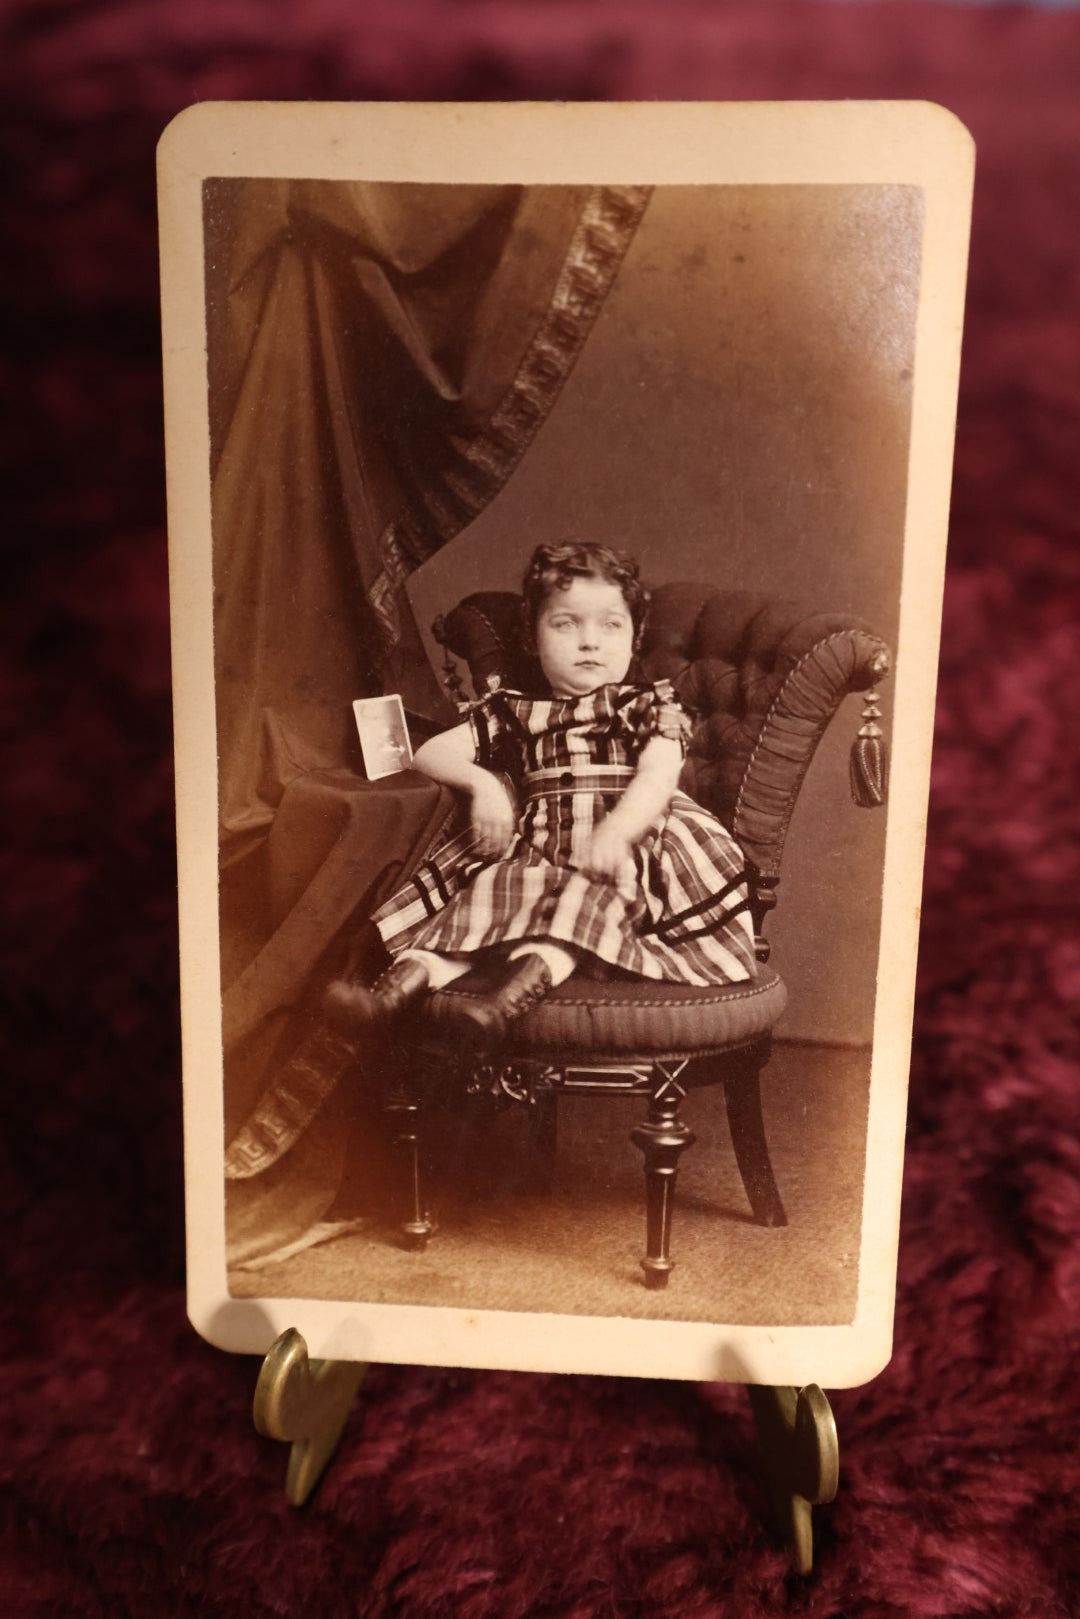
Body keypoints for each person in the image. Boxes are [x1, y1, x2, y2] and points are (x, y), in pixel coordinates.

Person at [329, 542, 757, 1044]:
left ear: (634, 636)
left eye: (610, 625)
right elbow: (430, 754)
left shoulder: (645, 705)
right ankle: (386, 999)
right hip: (541, 843)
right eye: (566, 624)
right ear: (533, 638)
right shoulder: (515, 711)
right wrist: (483, 783)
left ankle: (501, 1006)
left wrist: (618, 830)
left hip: (626, 845)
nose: (589, 642)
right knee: (480, 899)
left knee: (583, 902)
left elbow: (659, 775)